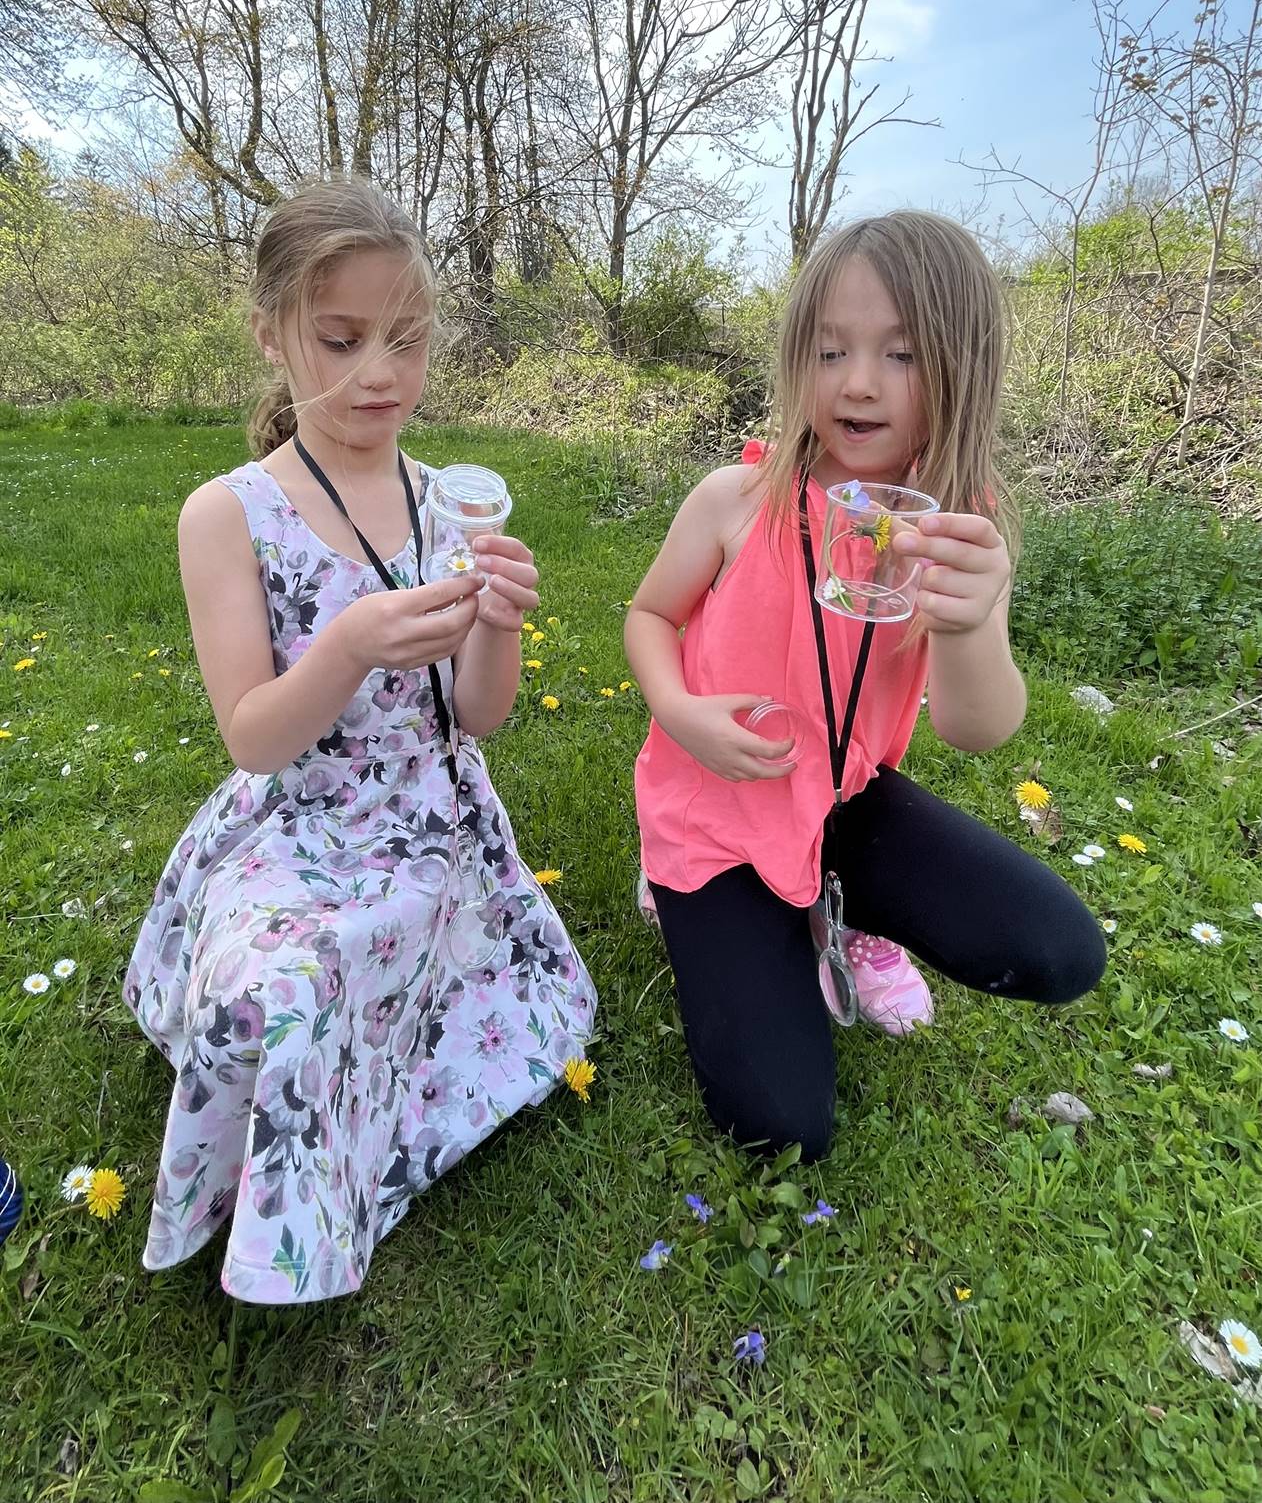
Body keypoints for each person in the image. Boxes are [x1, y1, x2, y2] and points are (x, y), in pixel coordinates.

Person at [124, 177, 595, 1303]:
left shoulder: (448, 502)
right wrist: (343, 647)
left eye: (408, 341)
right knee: (282, 983)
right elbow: (253, 739)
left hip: (427, 816)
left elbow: (476, 717)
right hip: (295, 820)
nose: (379, 373)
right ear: (271, 331)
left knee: (389, 952)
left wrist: (498, 622)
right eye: (341, 339)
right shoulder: (228, 512)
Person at [626, 211, 1104, 1162]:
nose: (856, 382)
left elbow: (976, 728)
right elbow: (648, 619)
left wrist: (969, 622)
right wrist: (678, 714)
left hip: (843, 795)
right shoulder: (736, 499)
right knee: (781, 1125)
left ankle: (838, 904)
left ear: (961, 369)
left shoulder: (956, 533)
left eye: (901, 354)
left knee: (1060, 950)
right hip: (716, 807)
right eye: (831, 349)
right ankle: (697, 891)